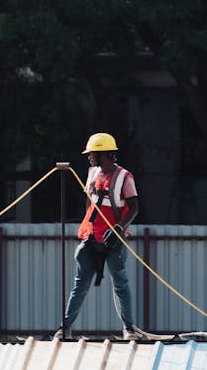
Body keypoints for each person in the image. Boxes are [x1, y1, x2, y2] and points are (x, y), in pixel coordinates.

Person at [54, 132, 141, 340]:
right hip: (92, 238)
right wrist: (89, 229)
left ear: (103, 154)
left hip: (114, 239)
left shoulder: (124, 177)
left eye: (92, 153)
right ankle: (65, 327)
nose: (89, 157)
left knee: (120, 283)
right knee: (80, 284)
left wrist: (119, 227)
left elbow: (134, 208)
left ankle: (129, 329)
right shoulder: (92, 173)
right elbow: (89, 203)